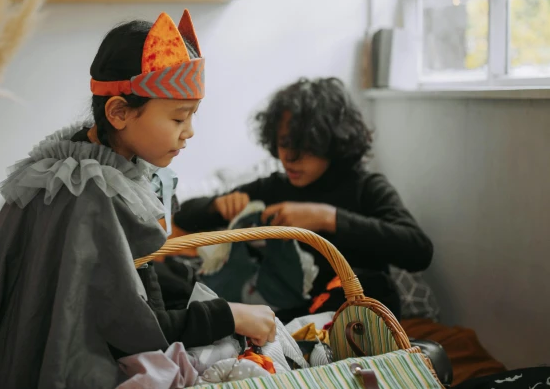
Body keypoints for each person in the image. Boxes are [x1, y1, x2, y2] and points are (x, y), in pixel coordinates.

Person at [0, 11, 276, 389]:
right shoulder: (92, 196)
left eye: (193, 115)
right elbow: (134, 326)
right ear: (119, 112)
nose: (189, 132)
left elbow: (136, 282)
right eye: (179, 118)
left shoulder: (81, 157)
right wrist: (230, 315)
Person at [174, 77, 434, 321]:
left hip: (355, 315)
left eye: (306, 147)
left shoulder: (366, 187)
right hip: (291, 317)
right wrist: (216, 205)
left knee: (377, 287)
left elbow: (418, 250)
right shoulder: (274, 187)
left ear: (333, 142)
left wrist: (326, 218)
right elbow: (184, 213)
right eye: (285, 143)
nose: (290, 158)